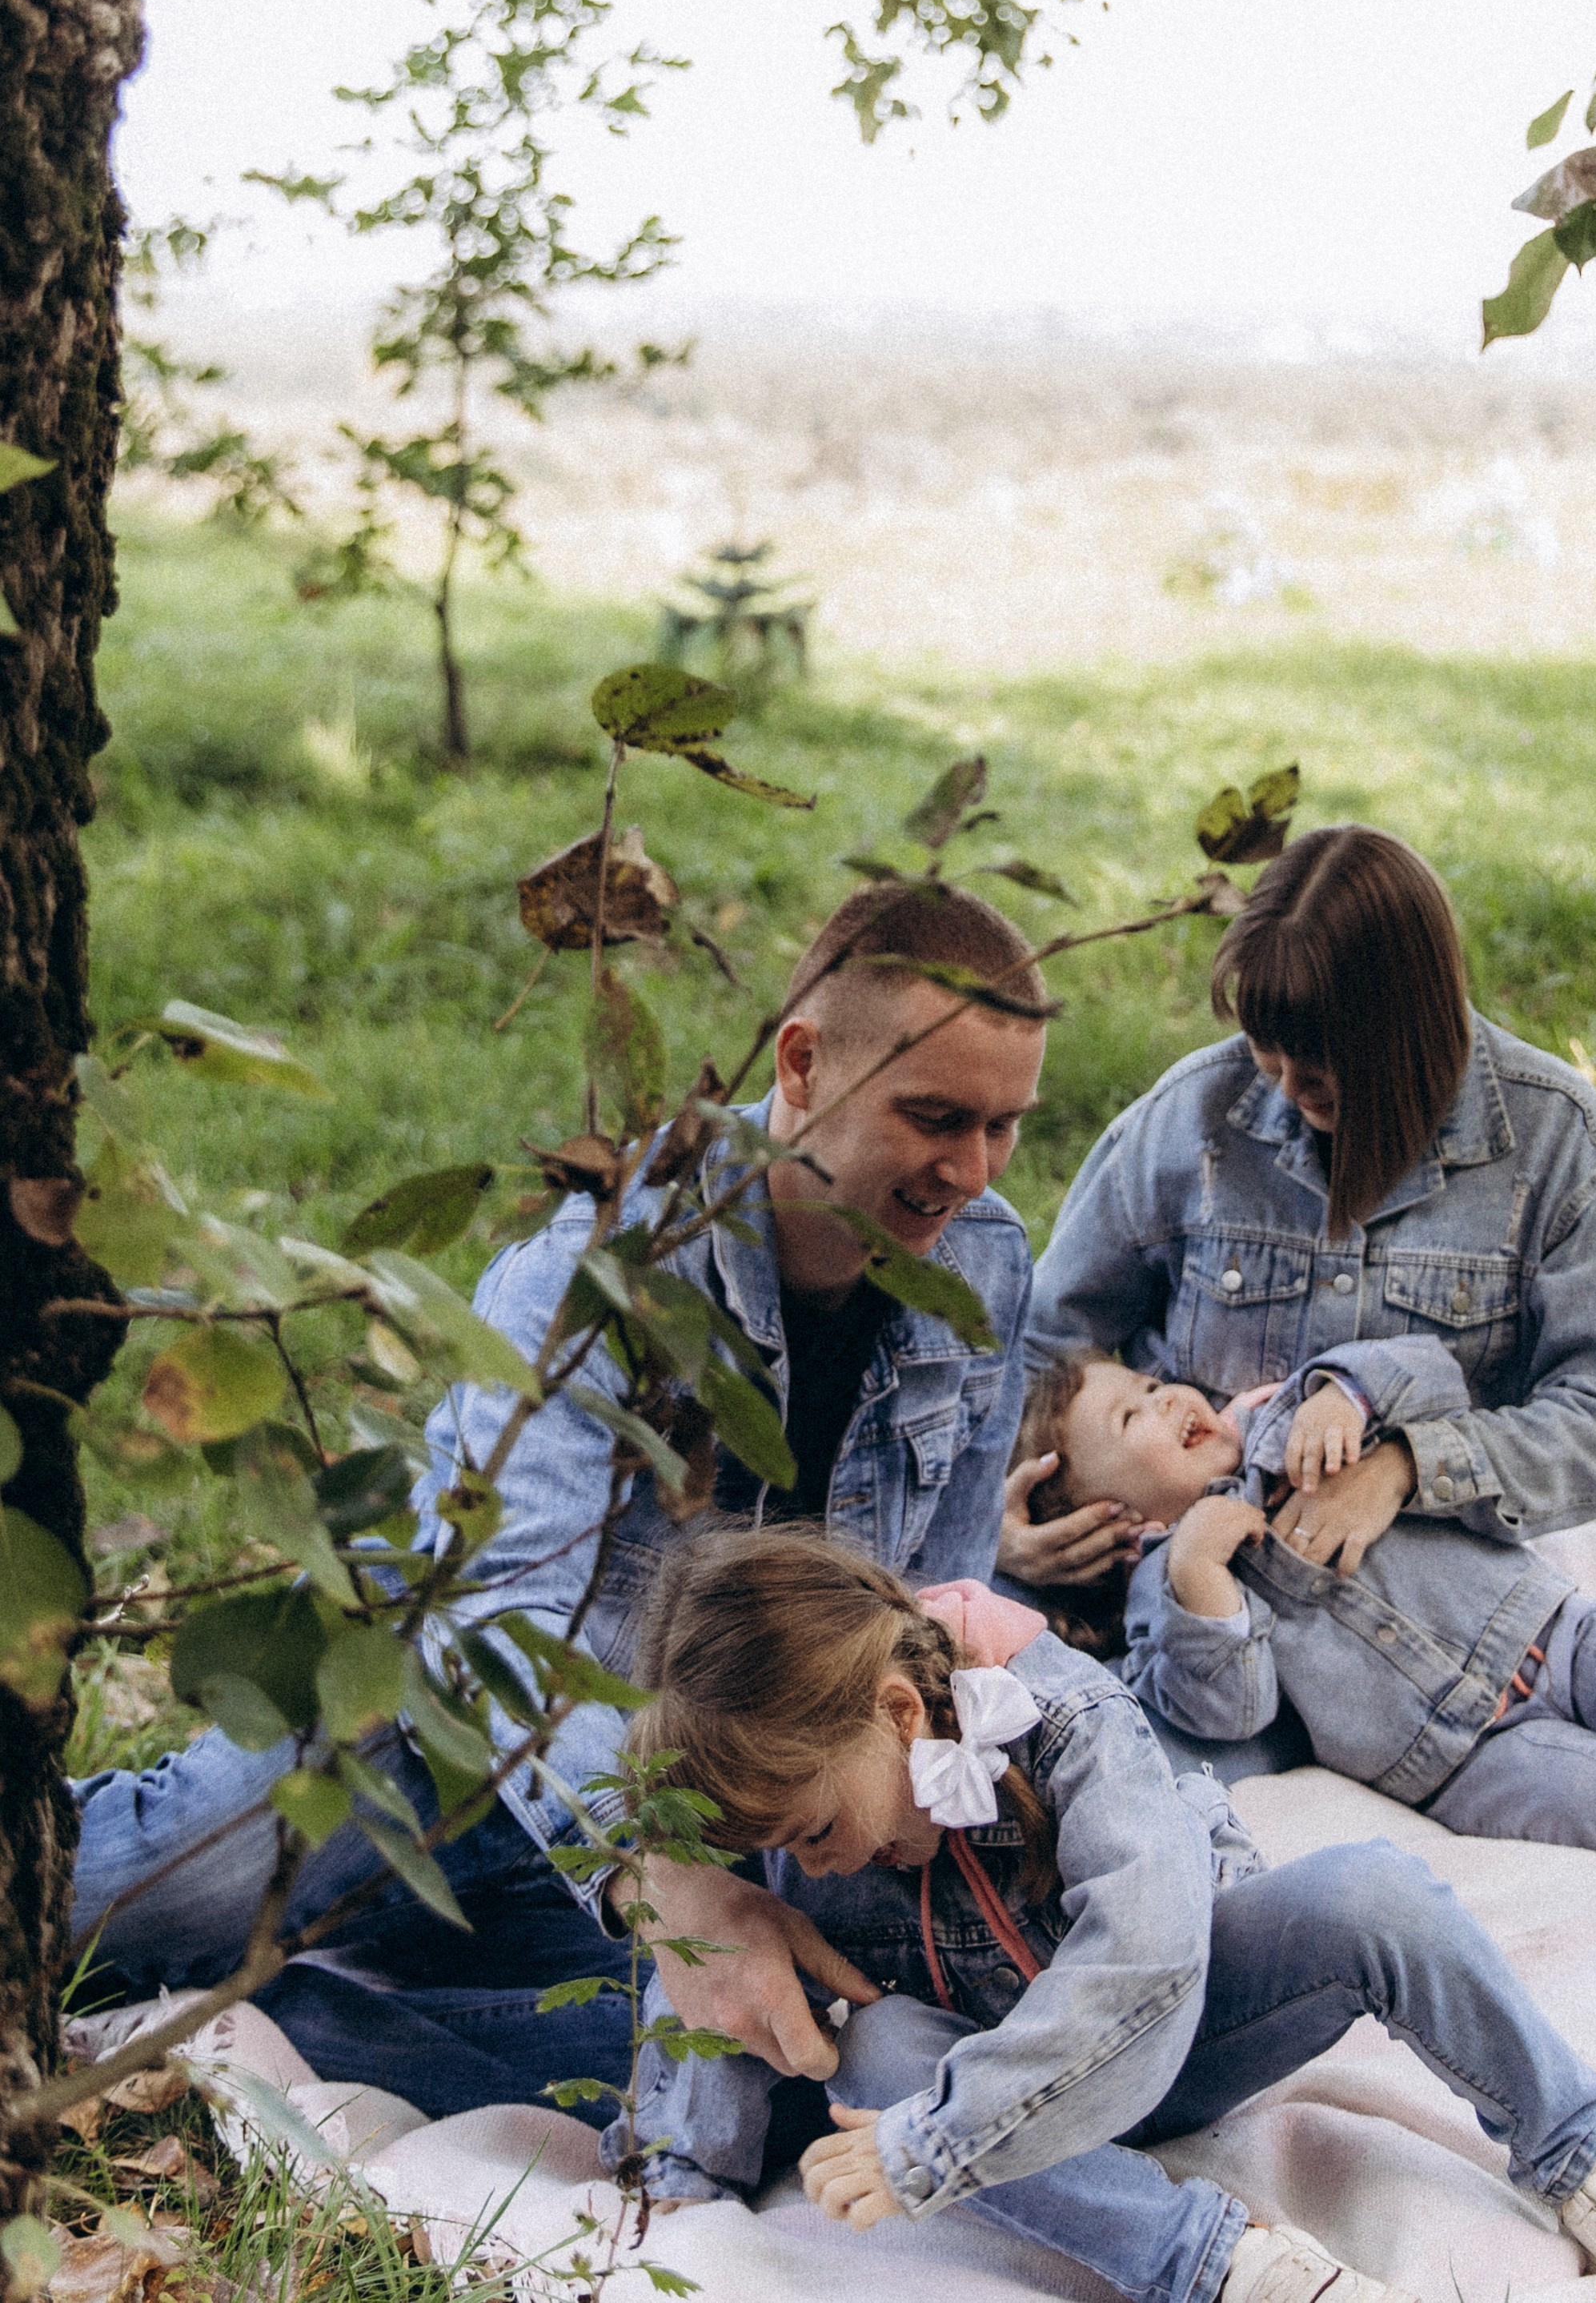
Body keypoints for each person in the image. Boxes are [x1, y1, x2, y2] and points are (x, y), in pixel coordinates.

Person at [70, 881, 1049, 2116]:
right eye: (935, 1116)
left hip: (717, 1794)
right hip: (433, 1736)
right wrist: (664, 1882)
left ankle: (295, 2013)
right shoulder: (601, 1269)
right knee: (148, 1890)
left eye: (1005, 1125)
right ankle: (264, 1952)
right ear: (801, 1063)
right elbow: (499, 1623)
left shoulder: (987, 1262)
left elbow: (938, 1605)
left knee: (765, 2068)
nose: (970, 1167)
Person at [613, 1527, 1596, 2303]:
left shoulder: (1060, 1719)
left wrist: (944, 2138)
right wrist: (679, 2180)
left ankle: (1587, 2155)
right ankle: (1222, 2267)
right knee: (879, 2048)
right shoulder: (793, 1820)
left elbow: (1149, 1956)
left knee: (1374, 1889)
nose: (807, 1860)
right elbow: (719, 1993)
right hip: (1014, 2116)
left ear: (902, 1710)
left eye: (812, 1831)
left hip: (1173, 2030)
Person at [1015, 1341, 1596, 1907]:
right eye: (1131, 1418)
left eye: (1151, 1381)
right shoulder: (1165, 1591)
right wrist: (1198, 1576)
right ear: (1115, 1517)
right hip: (1454, 1759)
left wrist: (1341, 1395)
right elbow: (1230, 1713)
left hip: (1550, 1630)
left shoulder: (1287, 1424)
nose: (1168, 1397)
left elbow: (1427, 1373)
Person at [1006, 827, 1596, 1619]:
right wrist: (1004, 1526)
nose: (1288, 1089)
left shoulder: (1556, 1144)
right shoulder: (1194, 1119)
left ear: (1411, 1034)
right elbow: (1041, 1338)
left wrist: (1404, 1465)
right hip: (1198, 1608)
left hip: (1431, 1602)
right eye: (1267, 1050)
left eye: (1323, 1064)